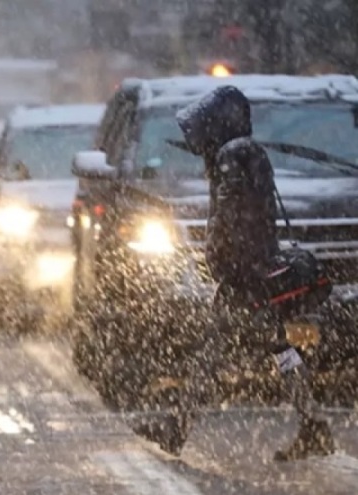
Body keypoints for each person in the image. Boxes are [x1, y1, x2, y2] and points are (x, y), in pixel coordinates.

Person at [134, 85, 335, 461]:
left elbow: (234, 221)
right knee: (279, 349)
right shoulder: (244, 153)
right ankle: (313, 425)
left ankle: (179, 427)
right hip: (255, 273)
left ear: (217, 123)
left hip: (244, 280)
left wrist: (230, 268)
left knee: (212, 356)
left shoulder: (233, 157)